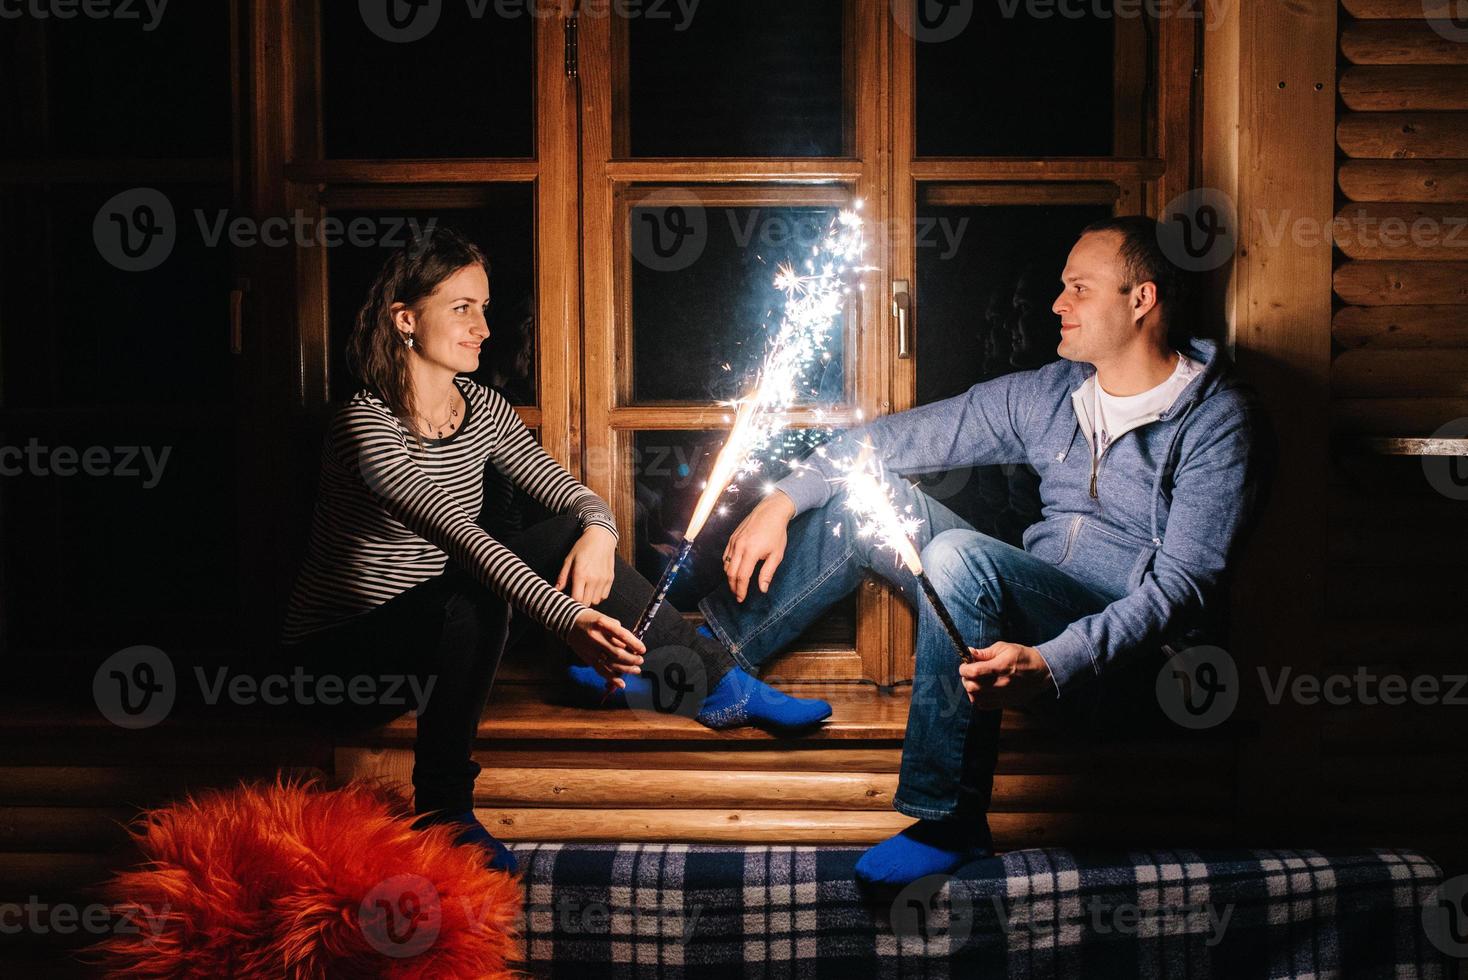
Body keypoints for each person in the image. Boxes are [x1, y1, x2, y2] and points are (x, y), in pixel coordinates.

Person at [696, 215, 1273, 887]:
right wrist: (783, 499)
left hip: (1129, 672)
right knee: (865, 496)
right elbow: (886, 443)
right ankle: (706, 663)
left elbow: (1184, 590)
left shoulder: (1219, 420)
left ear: (1140, 299)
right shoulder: (1051, 395)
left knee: (961, 555)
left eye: (1080, 289)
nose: (1058, 304)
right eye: (1062, 287)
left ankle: (950, 819)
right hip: (1032, 621)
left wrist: (1054, 662)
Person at [278, 227, 831, 874]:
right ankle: (443, 808)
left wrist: (599, 531)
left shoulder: (481, 407)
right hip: (338, 668)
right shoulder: (364, 424)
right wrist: (568, 619)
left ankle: (714, 681)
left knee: (555, 537)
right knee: (473, 594)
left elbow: (570, 495)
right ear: (405, 319)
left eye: (484, 308)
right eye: (461, 308)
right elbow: (462, 538)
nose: (483, 327)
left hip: (435, 653)